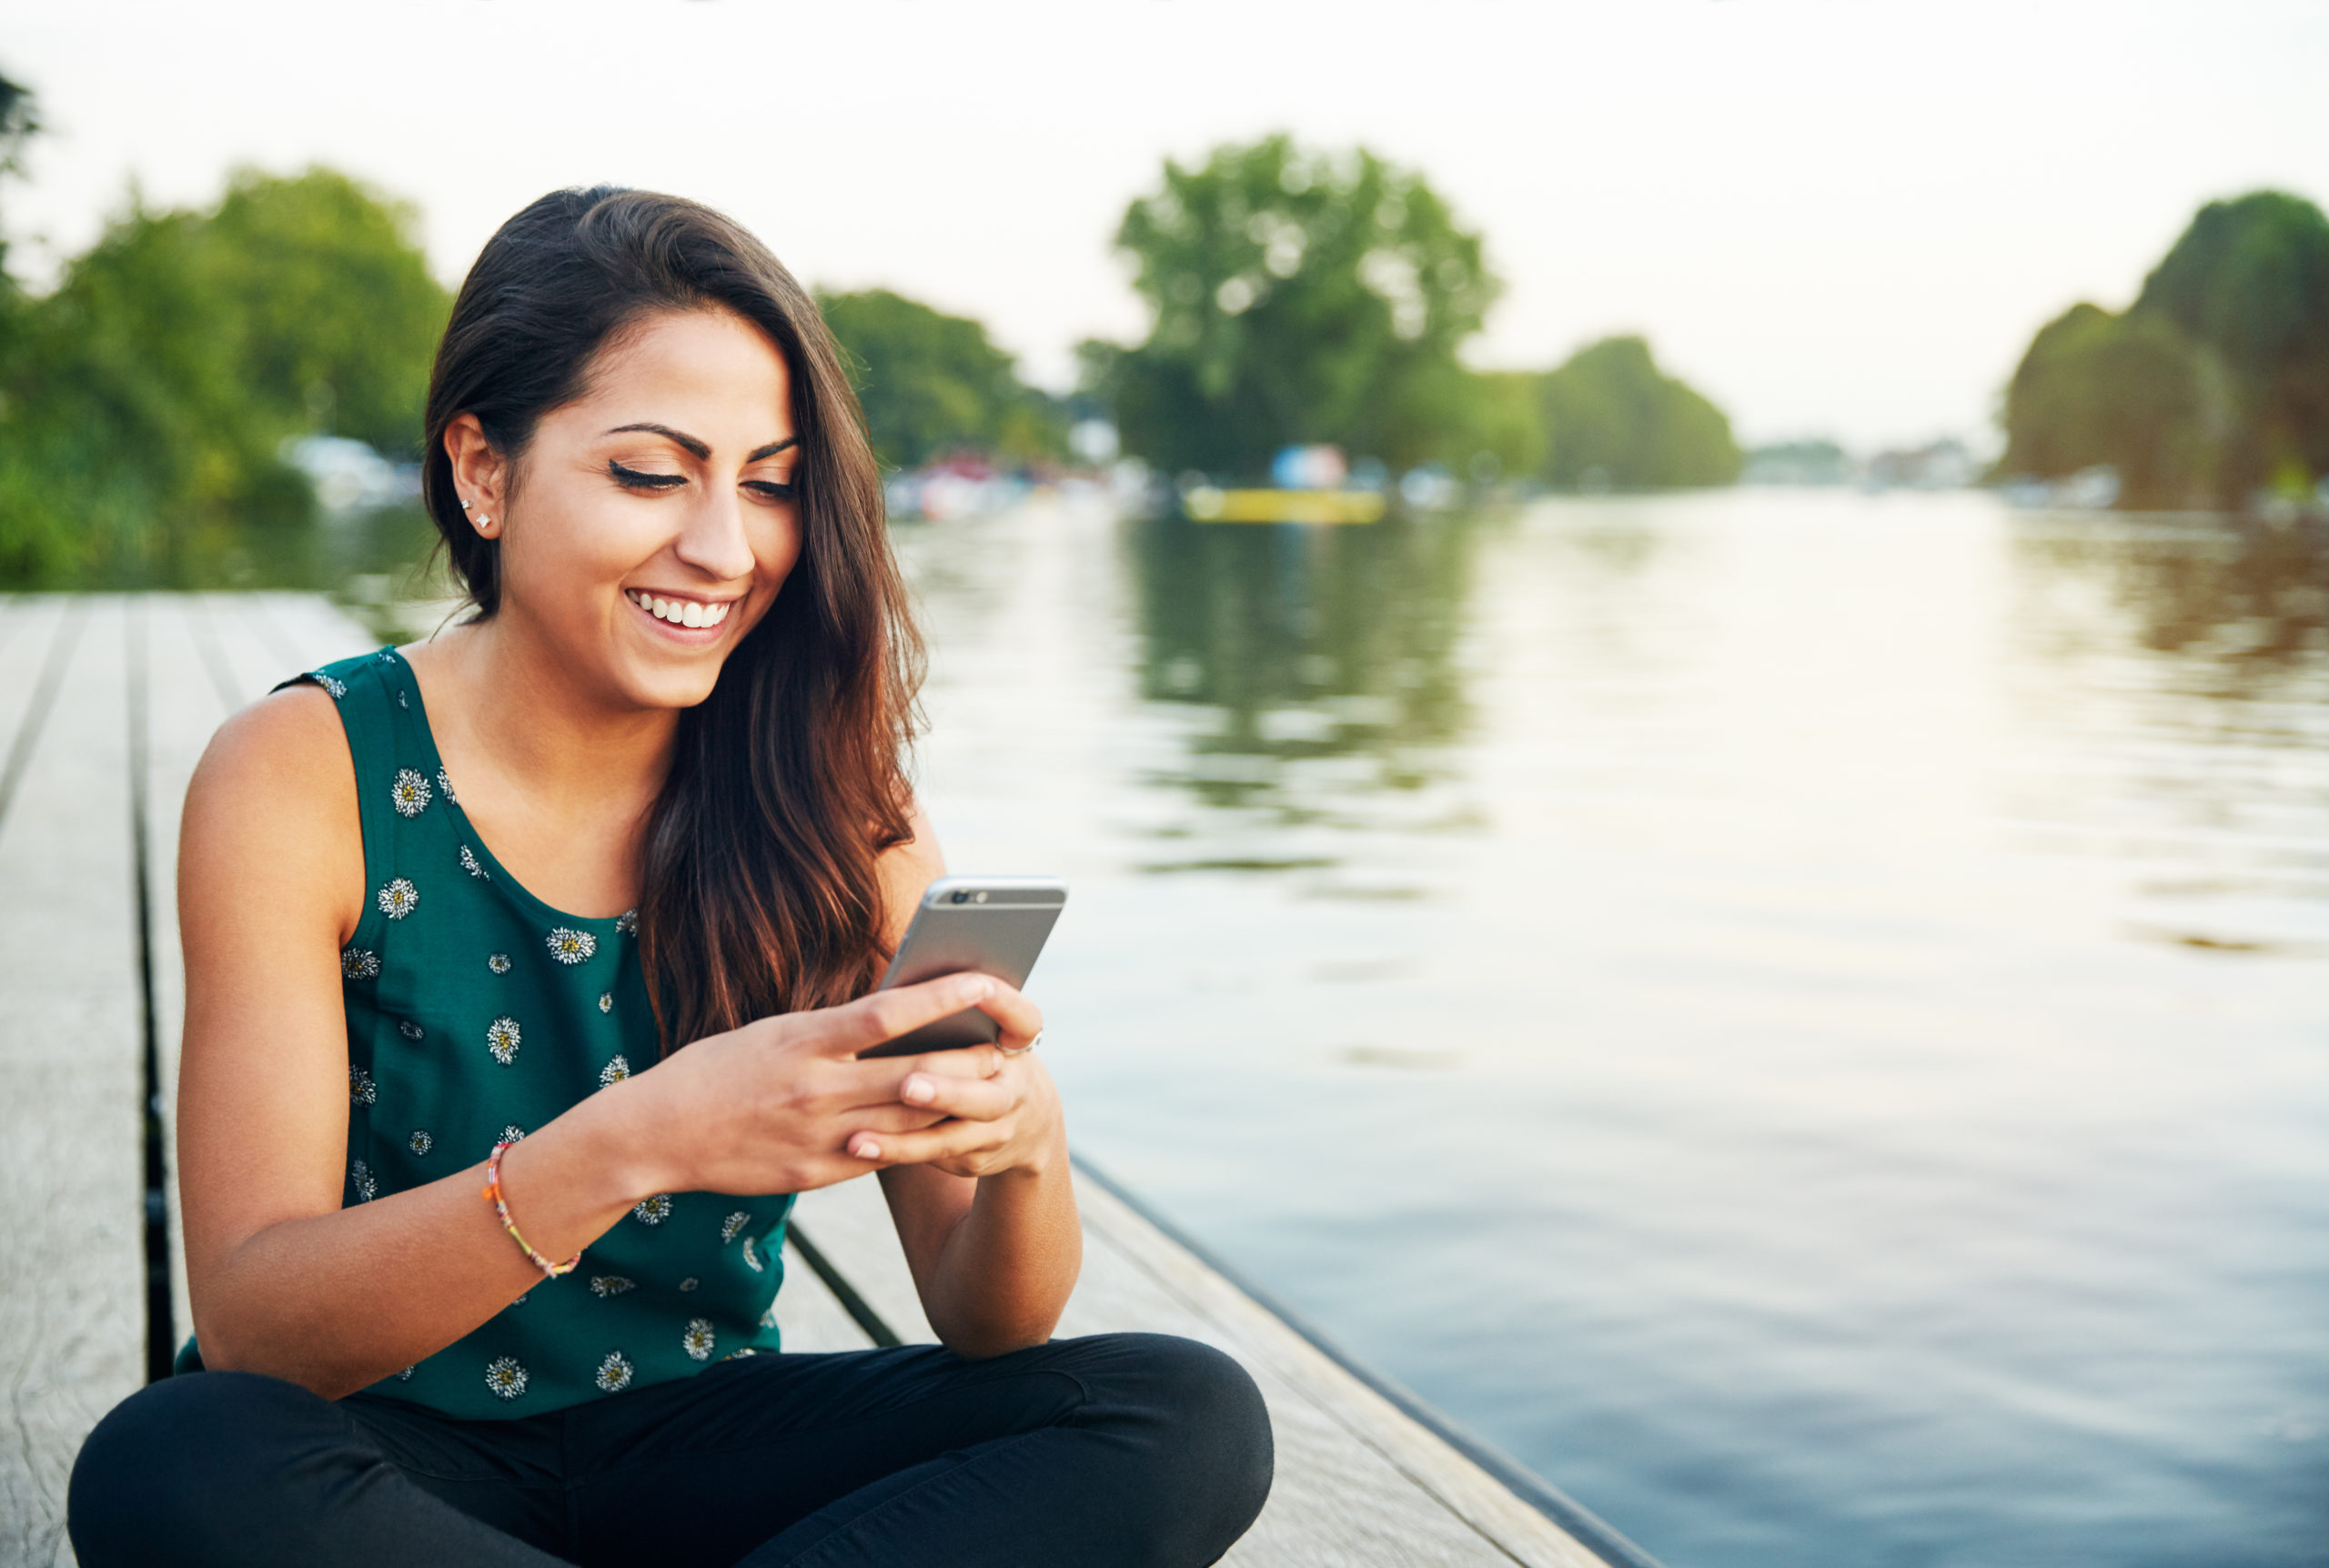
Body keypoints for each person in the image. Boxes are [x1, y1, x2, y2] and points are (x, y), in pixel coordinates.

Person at [67, 186, 1272, 1568]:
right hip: (385, 1457)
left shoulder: (836, 800)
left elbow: (985, 1319)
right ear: (483, 470)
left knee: (1182, 1413)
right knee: (173, 1459)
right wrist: (641, 1140)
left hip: (705, 1444)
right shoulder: (305, 770)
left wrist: (1026, 1144)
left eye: (769, 483)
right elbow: (257, 1329)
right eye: (652, 475)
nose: (725, 549)